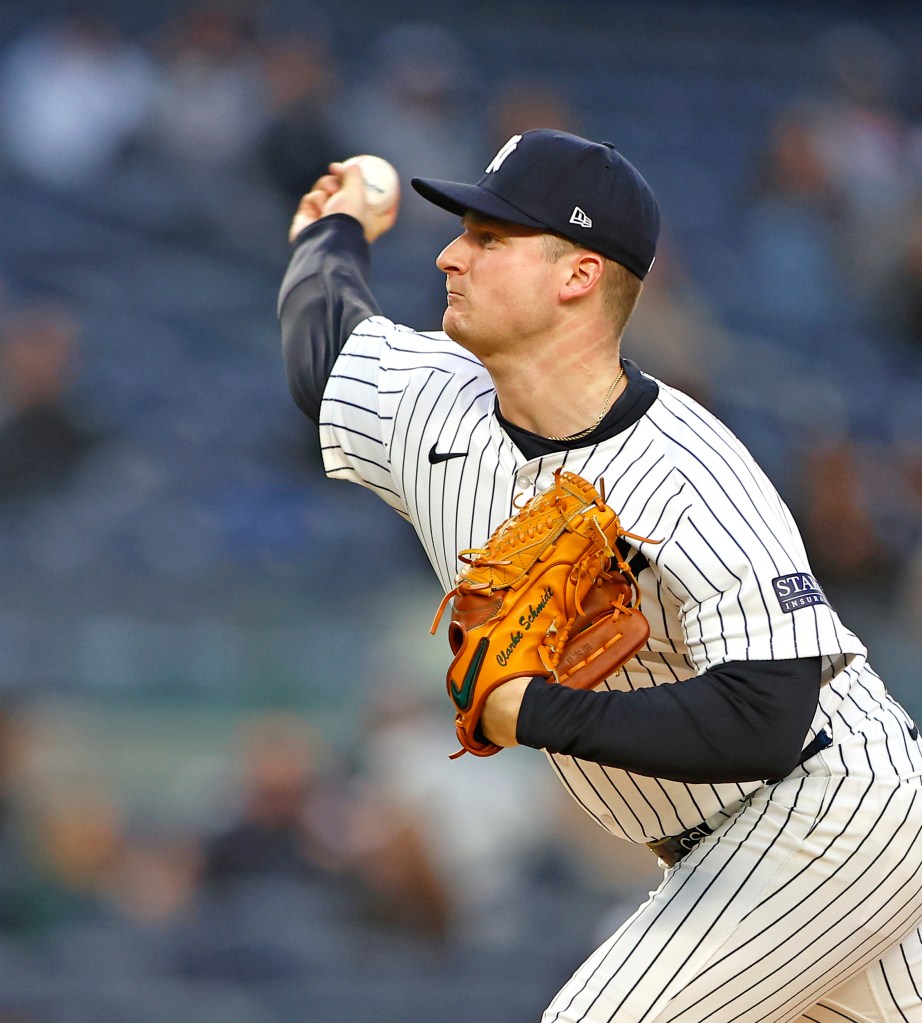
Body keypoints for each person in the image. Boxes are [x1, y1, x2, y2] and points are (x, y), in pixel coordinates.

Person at [277, 128, 922, 1022]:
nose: (450, 255)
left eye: (490, 238)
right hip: (721, 844)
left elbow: (769, 713)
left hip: (827, 807)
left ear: (577, 275)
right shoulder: (430, 398)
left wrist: (531, 709)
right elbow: (324, 347)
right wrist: (334, 228)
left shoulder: (689, 470)